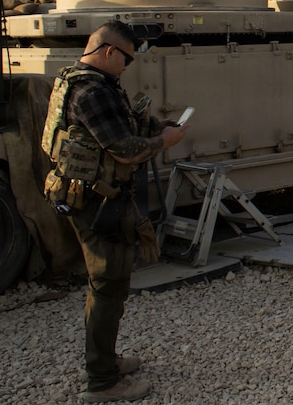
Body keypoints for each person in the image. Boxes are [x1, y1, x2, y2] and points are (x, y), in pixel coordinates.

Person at [42, 21, 187, 402]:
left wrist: (157, 125)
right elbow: (124, 148)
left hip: (96, 198)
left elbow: (121, 124)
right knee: (107, 286)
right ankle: (103, 381)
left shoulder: (88, 83)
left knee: (110, 285)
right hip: (98, 204)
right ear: (109, 51)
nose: (127, 66)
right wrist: (162, 141)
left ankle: (106, 359)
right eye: (126, 58)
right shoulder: (91, 92)